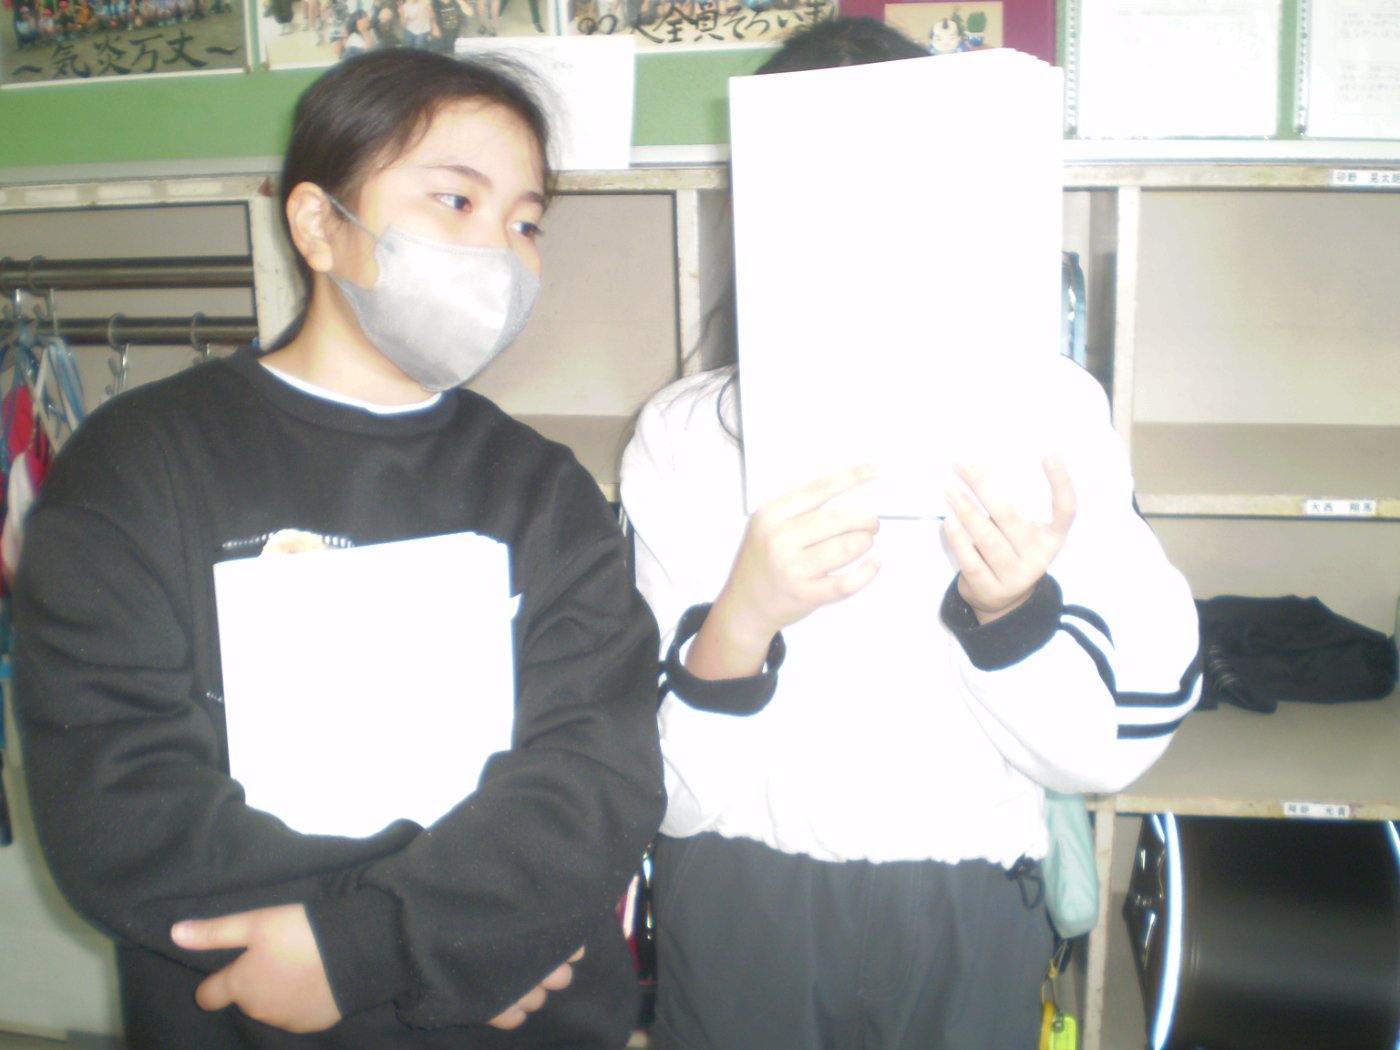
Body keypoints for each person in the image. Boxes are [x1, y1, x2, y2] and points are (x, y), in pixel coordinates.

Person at [14, 49, 664, 1049]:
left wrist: (402, 944)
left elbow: (597, 773)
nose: (500, 254)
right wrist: (411, 944)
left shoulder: (542, 490)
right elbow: (116, 794)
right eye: (456, 201)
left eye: (526, 223)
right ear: (320, 223)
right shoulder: (140, 464)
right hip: (255, 1013)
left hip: (525, 1014)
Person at [618, 16, 1202, 1050]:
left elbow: (1111, 746)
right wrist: (742, 621)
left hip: (965, 901)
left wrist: (1009, 612)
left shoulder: (1050, 412)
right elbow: (661, 788)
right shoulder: (687, 432)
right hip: (741, 900)